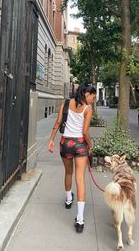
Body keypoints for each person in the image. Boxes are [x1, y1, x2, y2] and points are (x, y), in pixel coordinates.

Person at [48, 83, 96, 233]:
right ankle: (80, 219)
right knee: (80, 179)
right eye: (93, 97)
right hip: (79, 144)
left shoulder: (66, 103)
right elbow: (85, 131)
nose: (93, 101)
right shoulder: (88, 109)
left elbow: (57, 122)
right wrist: (90, 145)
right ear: (86, 95)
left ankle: (69, 199)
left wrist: (51, 140)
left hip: (65, 143)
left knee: (68, 173)